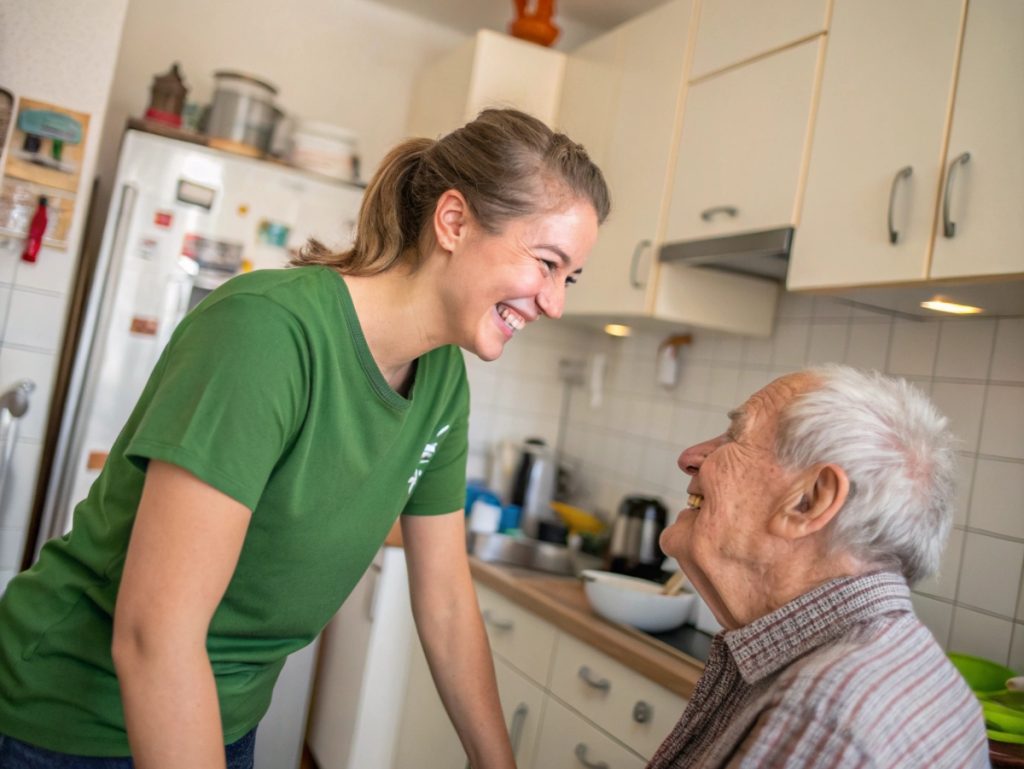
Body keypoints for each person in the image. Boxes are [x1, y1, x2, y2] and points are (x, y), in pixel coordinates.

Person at [0, 108, 609, 769]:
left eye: (568, 277)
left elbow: (447, 600)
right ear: (455, 222)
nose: (555, 303)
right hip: (62, 719)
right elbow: (155, 636)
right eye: (547, 262)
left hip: (219, 717)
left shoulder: (443, 385)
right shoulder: (268, 332)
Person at [648, 365, 989, 769]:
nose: (690, 458)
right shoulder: (890, 667)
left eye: (735, 437)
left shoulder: (820, 715)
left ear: (809, 501)